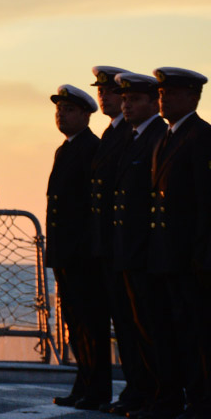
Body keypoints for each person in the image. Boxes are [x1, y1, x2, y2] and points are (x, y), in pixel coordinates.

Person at [43, 85, 110, 410]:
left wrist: (85, 249)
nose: (61, 114)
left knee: (91, 324)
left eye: (68, 110)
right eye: (59, 110)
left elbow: (90, 208)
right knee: (76, 324)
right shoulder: (65, 149)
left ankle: (96, 389)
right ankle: (84, 383)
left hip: (82, 254)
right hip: (66, 253)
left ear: (85, 114)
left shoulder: (90, 149)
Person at [148, 67, 210, 419]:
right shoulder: (167, 137)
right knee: (168, 332)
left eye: (170, 93)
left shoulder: (202, 137)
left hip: (189, 259)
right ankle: (172, 398)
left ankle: (202, 403)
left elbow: (205, 202)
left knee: (196, 334)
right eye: (161, 92)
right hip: (163, 256)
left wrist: (202, 257)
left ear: (192, 97)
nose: (163, 98)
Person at [109, 72, 167, 417]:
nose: (126, 104)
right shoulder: (133, 138)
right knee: (137, 329)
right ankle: (144, 392)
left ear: (153, 103)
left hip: (147, 252)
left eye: (133, 99)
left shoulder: (157, 136)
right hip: (128, 251)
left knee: (155, 329)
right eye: (125, 99)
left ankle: (160, 395)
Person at [87, 66, 136, 414]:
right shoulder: (112, 133)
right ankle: (136, 391)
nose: (105, 97)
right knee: (124, 323)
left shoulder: (129, 135)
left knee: (135, 326)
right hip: (108, 245)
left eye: (111, 92)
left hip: (126, 246)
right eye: (101, 92)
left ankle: (143, 391)